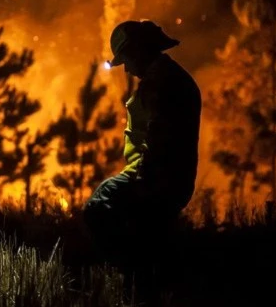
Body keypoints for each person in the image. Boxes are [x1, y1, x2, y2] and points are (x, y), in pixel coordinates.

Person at [83, 20, 202, 268]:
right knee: (148, 242)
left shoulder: (163, 84)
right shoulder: (169, 79)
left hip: (156, 181)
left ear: (139, 50)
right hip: (162, 179)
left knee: (99, 208)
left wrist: (143, 184)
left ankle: (120, 275)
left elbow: (161, 140)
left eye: (126, 59)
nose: (126, 69)